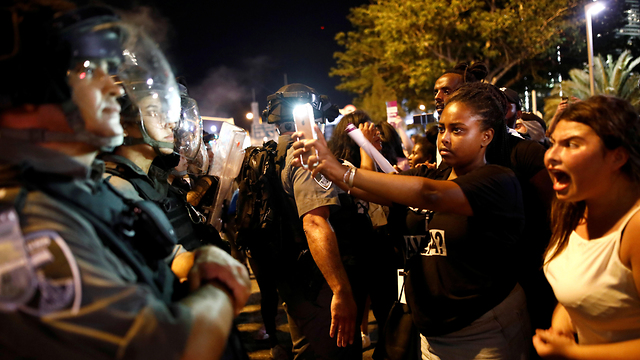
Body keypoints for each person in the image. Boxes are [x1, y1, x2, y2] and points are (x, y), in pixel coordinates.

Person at [0, 5, 250, 359]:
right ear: (24, 91)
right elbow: (173, 348)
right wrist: (220, 289)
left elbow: (168, 258)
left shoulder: (82, 190)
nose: (113, 90)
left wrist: (203, 257)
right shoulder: (26, 230)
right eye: (87, 71)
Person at [293, 82, 531, 359]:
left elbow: (428, 196)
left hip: (486, 330)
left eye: (458, 130)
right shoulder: (431, 175)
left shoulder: (499, 180)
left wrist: (341, 171)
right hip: (433, 335)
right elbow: (368, 188)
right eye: (442, 128)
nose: (444, 138)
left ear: (486, 136)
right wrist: (324, 166)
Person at [258, 83, 366, 360]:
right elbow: (315, 223)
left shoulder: (271, 155)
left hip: (294, 277)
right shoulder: (305, 156)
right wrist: (340, 291)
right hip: (319, 283)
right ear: (311, 119)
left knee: (307, 350)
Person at [533, 96, 640, 359]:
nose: (551, 156)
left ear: (618, 156)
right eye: (553, 143)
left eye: (571, 144)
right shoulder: (573, 208)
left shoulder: (635, 228)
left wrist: (575, 353)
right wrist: (563, 318)